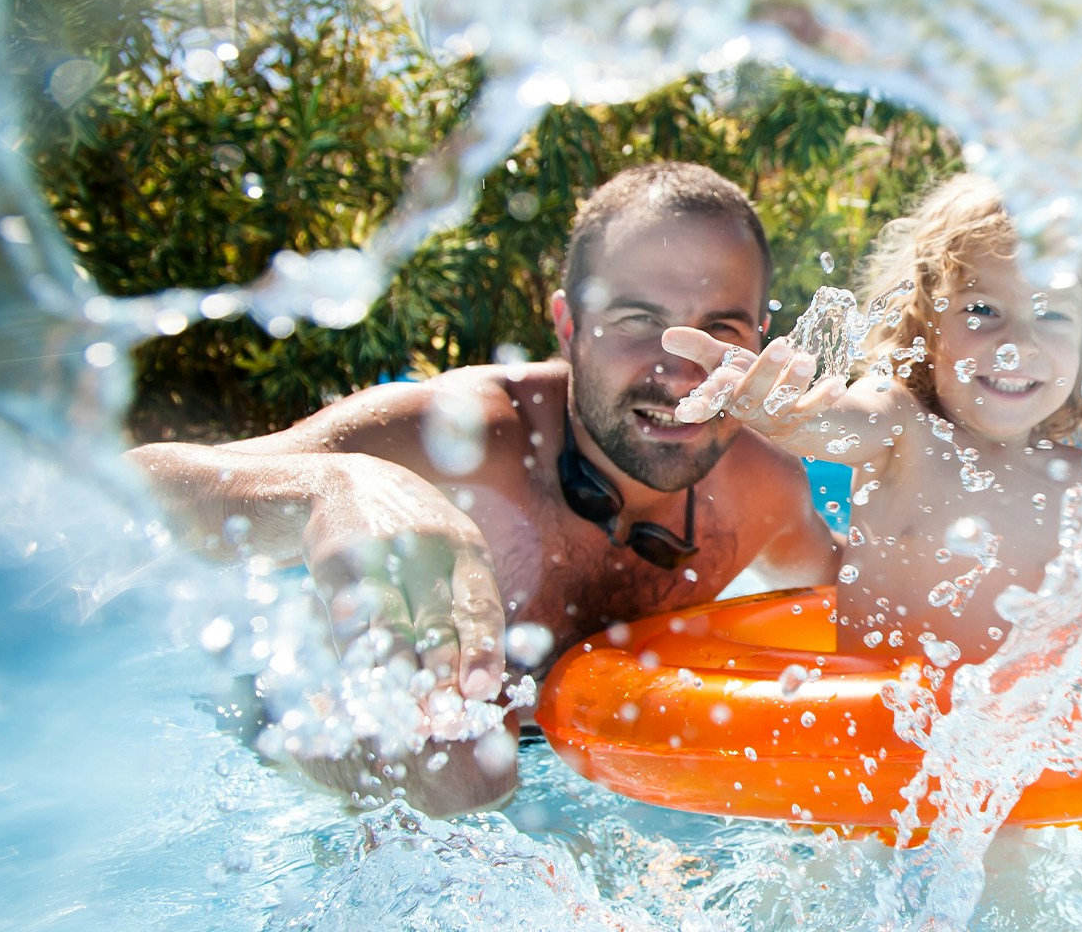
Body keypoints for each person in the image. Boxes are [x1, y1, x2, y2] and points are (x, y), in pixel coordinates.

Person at [128, 162, 839, 815]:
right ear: (569, 326)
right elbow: (135, 491)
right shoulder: (457, 438)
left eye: (719, 329)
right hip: (310, 777)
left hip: (588, 793)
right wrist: (333, 488)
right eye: (638, 321)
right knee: (462, 768)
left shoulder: (764, 487)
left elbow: (874, 603)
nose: (682, 372)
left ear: (760, 337)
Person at [664, 173, 1082, 664]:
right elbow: (843, 421)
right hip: (878, 734)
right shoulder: (905, 426)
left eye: (1053, 315)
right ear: (927, 323)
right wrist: (786, 414)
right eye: (982, 310)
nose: (1018, 344)